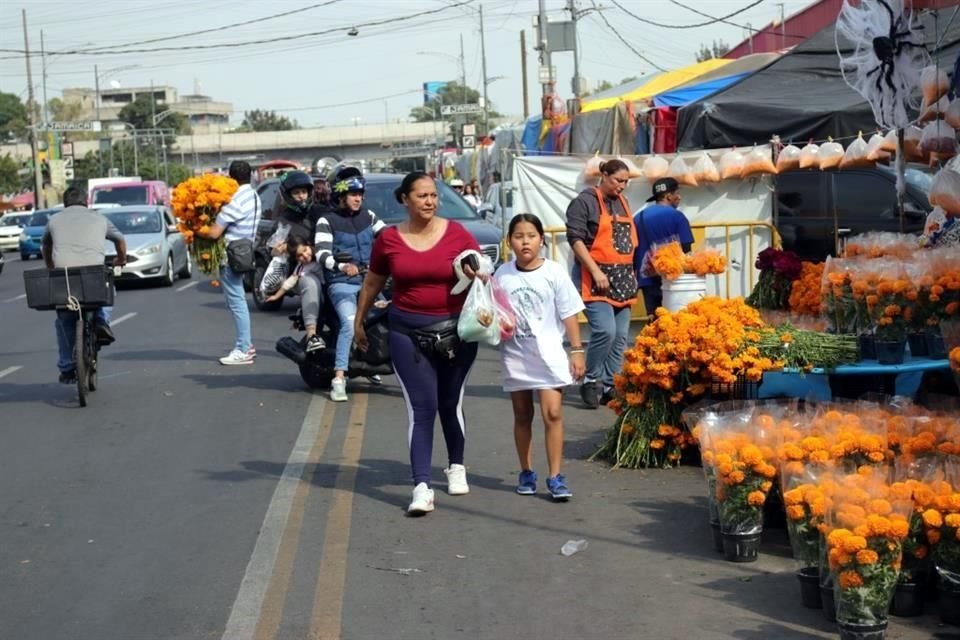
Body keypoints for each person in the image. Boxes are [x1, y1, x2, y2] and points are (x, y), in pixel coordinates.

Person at [354, 171, 482, 516]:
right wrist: (358, 322)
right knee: (421, 409)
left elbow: (477, 262)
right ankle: (421, 487)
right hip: (406, 333)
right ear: (404, 200)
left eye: (433, 195)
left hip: (456, 333)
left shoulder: (457, 233)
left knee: (449, 403)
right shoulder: (389, 240)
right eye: (422, 196)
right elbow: (372, 283)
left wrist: (476, 269)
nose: (429, 201)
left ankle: (456, 465)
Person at [494, 214, 585, 501]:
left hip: (549, 354)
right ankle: (526, 471)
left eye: (531, 236)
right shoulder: (502, 274)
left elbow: (569, 313)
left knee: (553, 413)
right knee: (523, 415)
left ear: (541, 240)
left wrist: (577, 350)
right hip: (516, 354)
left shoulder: (554, 272)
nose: (525, 241)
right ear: (510, 241)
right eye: (519, 236)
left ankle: (555, 476)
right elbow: (494, 311)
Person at [564, 159, 639, 410]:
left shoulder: (623, 203)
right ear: (604, 175)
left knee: (620, 337)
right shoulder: (584, 201)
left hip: (623, 278)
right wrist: (595, 271)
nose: (623, 186)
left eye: (626, 181)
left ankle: (610, 385)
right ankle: (590, 378)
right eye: (619, 180)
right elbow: (575, 240)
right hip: (594, 277)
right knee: (604, 330)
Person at [41, 186, 127, 384]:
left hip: (64, 278)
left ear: (65, 203)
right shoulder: (99, 218)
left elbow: (46, 245)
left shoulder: (53, 220)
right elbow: (120, 240)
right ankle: (101, 321)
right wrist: (120, 259)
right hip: (93, 275)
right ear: (86, 201)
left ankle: (66, 366)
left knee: (63, 320)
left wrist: (50, 266)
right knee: (107, 291)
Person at [314, 170, 386, 402]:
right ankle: (339, 379)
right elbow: (322, 253)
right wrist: (341, 266)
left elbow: (388, 237)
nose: (358, 199)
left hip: (369, 281)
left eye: (360, 194)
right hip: (341, 284)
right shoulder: (327, 221)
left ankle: (377, 361)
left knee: (391, 314)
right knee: (349, 323)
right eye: (353, 194)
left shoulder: (369, 216)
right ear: (341, 196)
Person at [197, 160, 261, 366]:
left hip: (231, 255)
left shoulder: (236, 199)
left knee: (237, 302)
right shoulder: (254, 196)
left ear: (230, 178)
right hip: (245, 252)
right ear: (250, 175)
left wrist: (193, 229)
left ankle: (244, 347)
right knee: (236, 300)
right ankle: (245, 345)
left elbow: (215, 232)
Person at [633, 177, 695, 314]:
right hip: (673, 280)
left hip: (647, 279)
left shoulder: (638, 218)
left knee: (656, 323)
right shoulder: (678, 216)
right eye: (676, 194)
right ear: (668, 196)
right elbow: (686, 248)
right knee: (677, 322)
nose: (679, 197)